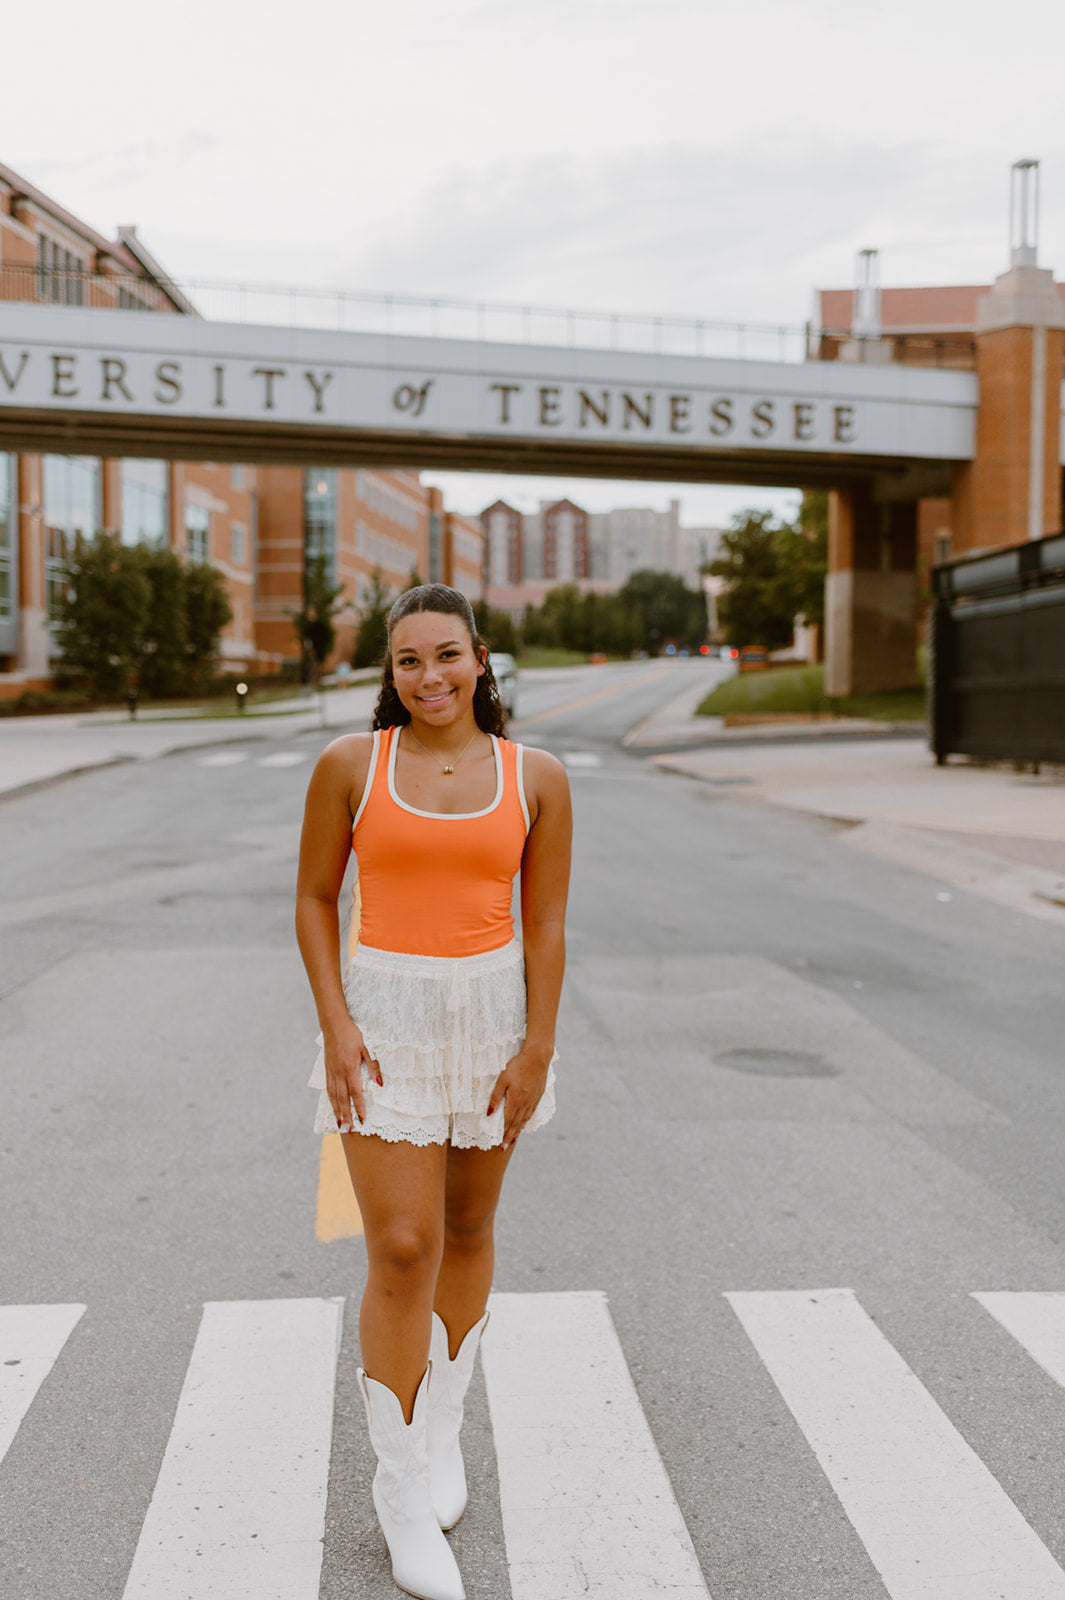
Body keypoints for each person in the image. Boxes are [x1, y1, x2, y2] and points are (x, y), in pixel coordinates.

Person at [296, 584, 572, 1600]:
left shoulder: (534, 776)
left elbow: (544, 922)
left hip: (496, 1019)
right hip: (386, 1021)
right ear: (389, 669)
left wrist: (538, 1043)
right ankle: (402, 1488)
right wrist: (336, 1026)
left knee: (466, 1229)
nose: (430, 678)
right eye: (408, 660)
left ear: (481, 658)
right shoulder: (347, 768)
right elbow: (316, 897)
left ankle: (444, 1429)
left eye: (446, 655)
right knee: (402, 1245)